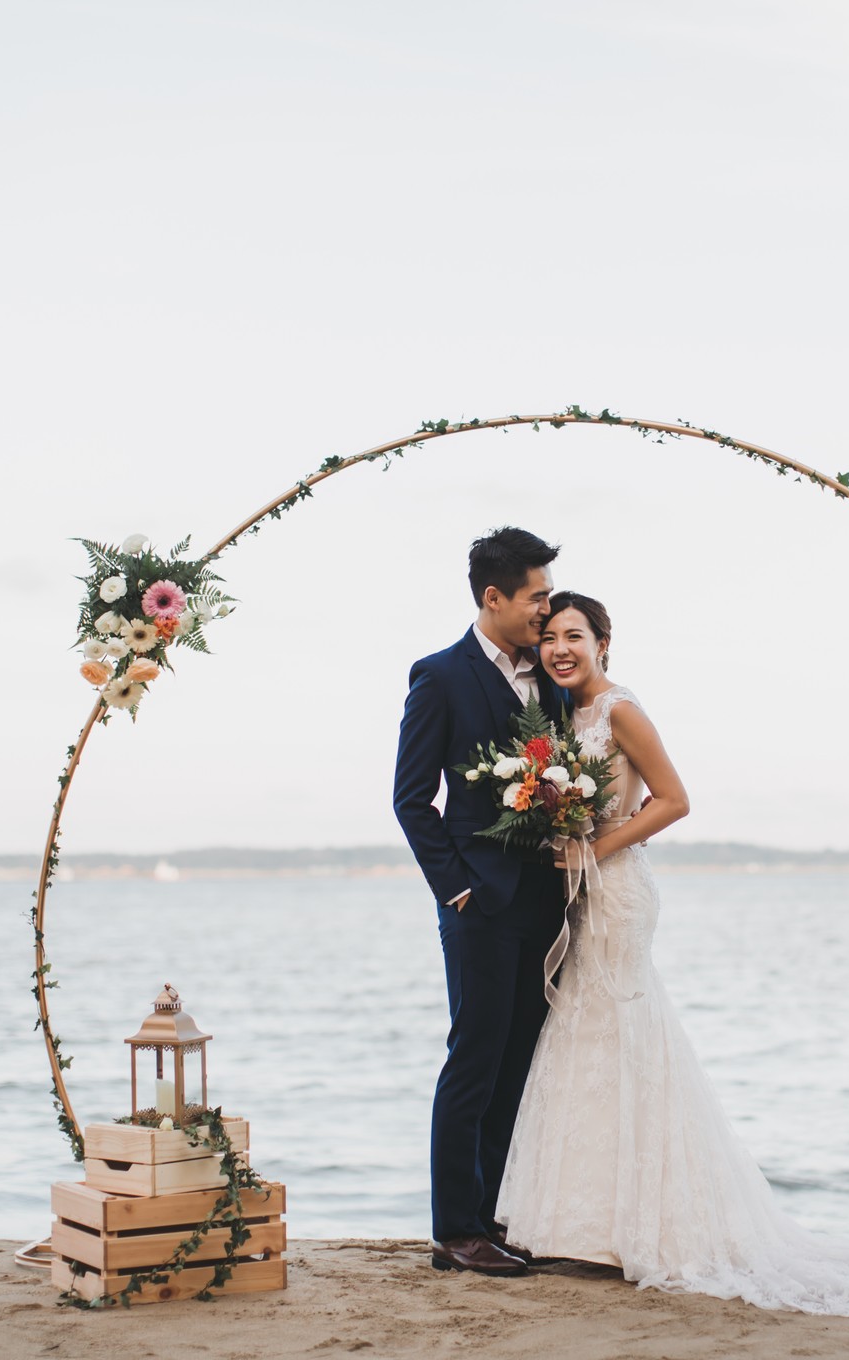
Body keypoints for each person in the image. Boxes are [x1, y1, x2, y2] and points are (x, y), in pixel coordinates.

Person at [494, 592, 849, 1314]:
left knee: (621, 1034)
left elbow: (672, 800)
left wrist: (592, 848)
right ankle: (583, 1224)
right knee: (584, 1038)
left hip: (618, 894)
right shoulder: (557, 720)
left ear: (605, 642)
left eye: (575, 635)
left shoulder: (621, 711)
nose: (559, 648)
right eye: (550, 638)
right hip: (581, 893)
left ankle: (638, 1226)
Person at [392, 527, 571, 1278]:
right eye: (536, 596)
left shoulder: (556, 677)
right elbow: (411, 799)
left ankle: (493, 1219)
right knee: (473, 1062)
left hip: (549, 903)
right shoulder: (440, 676)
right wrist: (457, 887)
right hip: (480, 905)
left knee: (519, 1064)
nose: (546, 609)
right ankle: (453, 1231)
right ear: (493, 597)